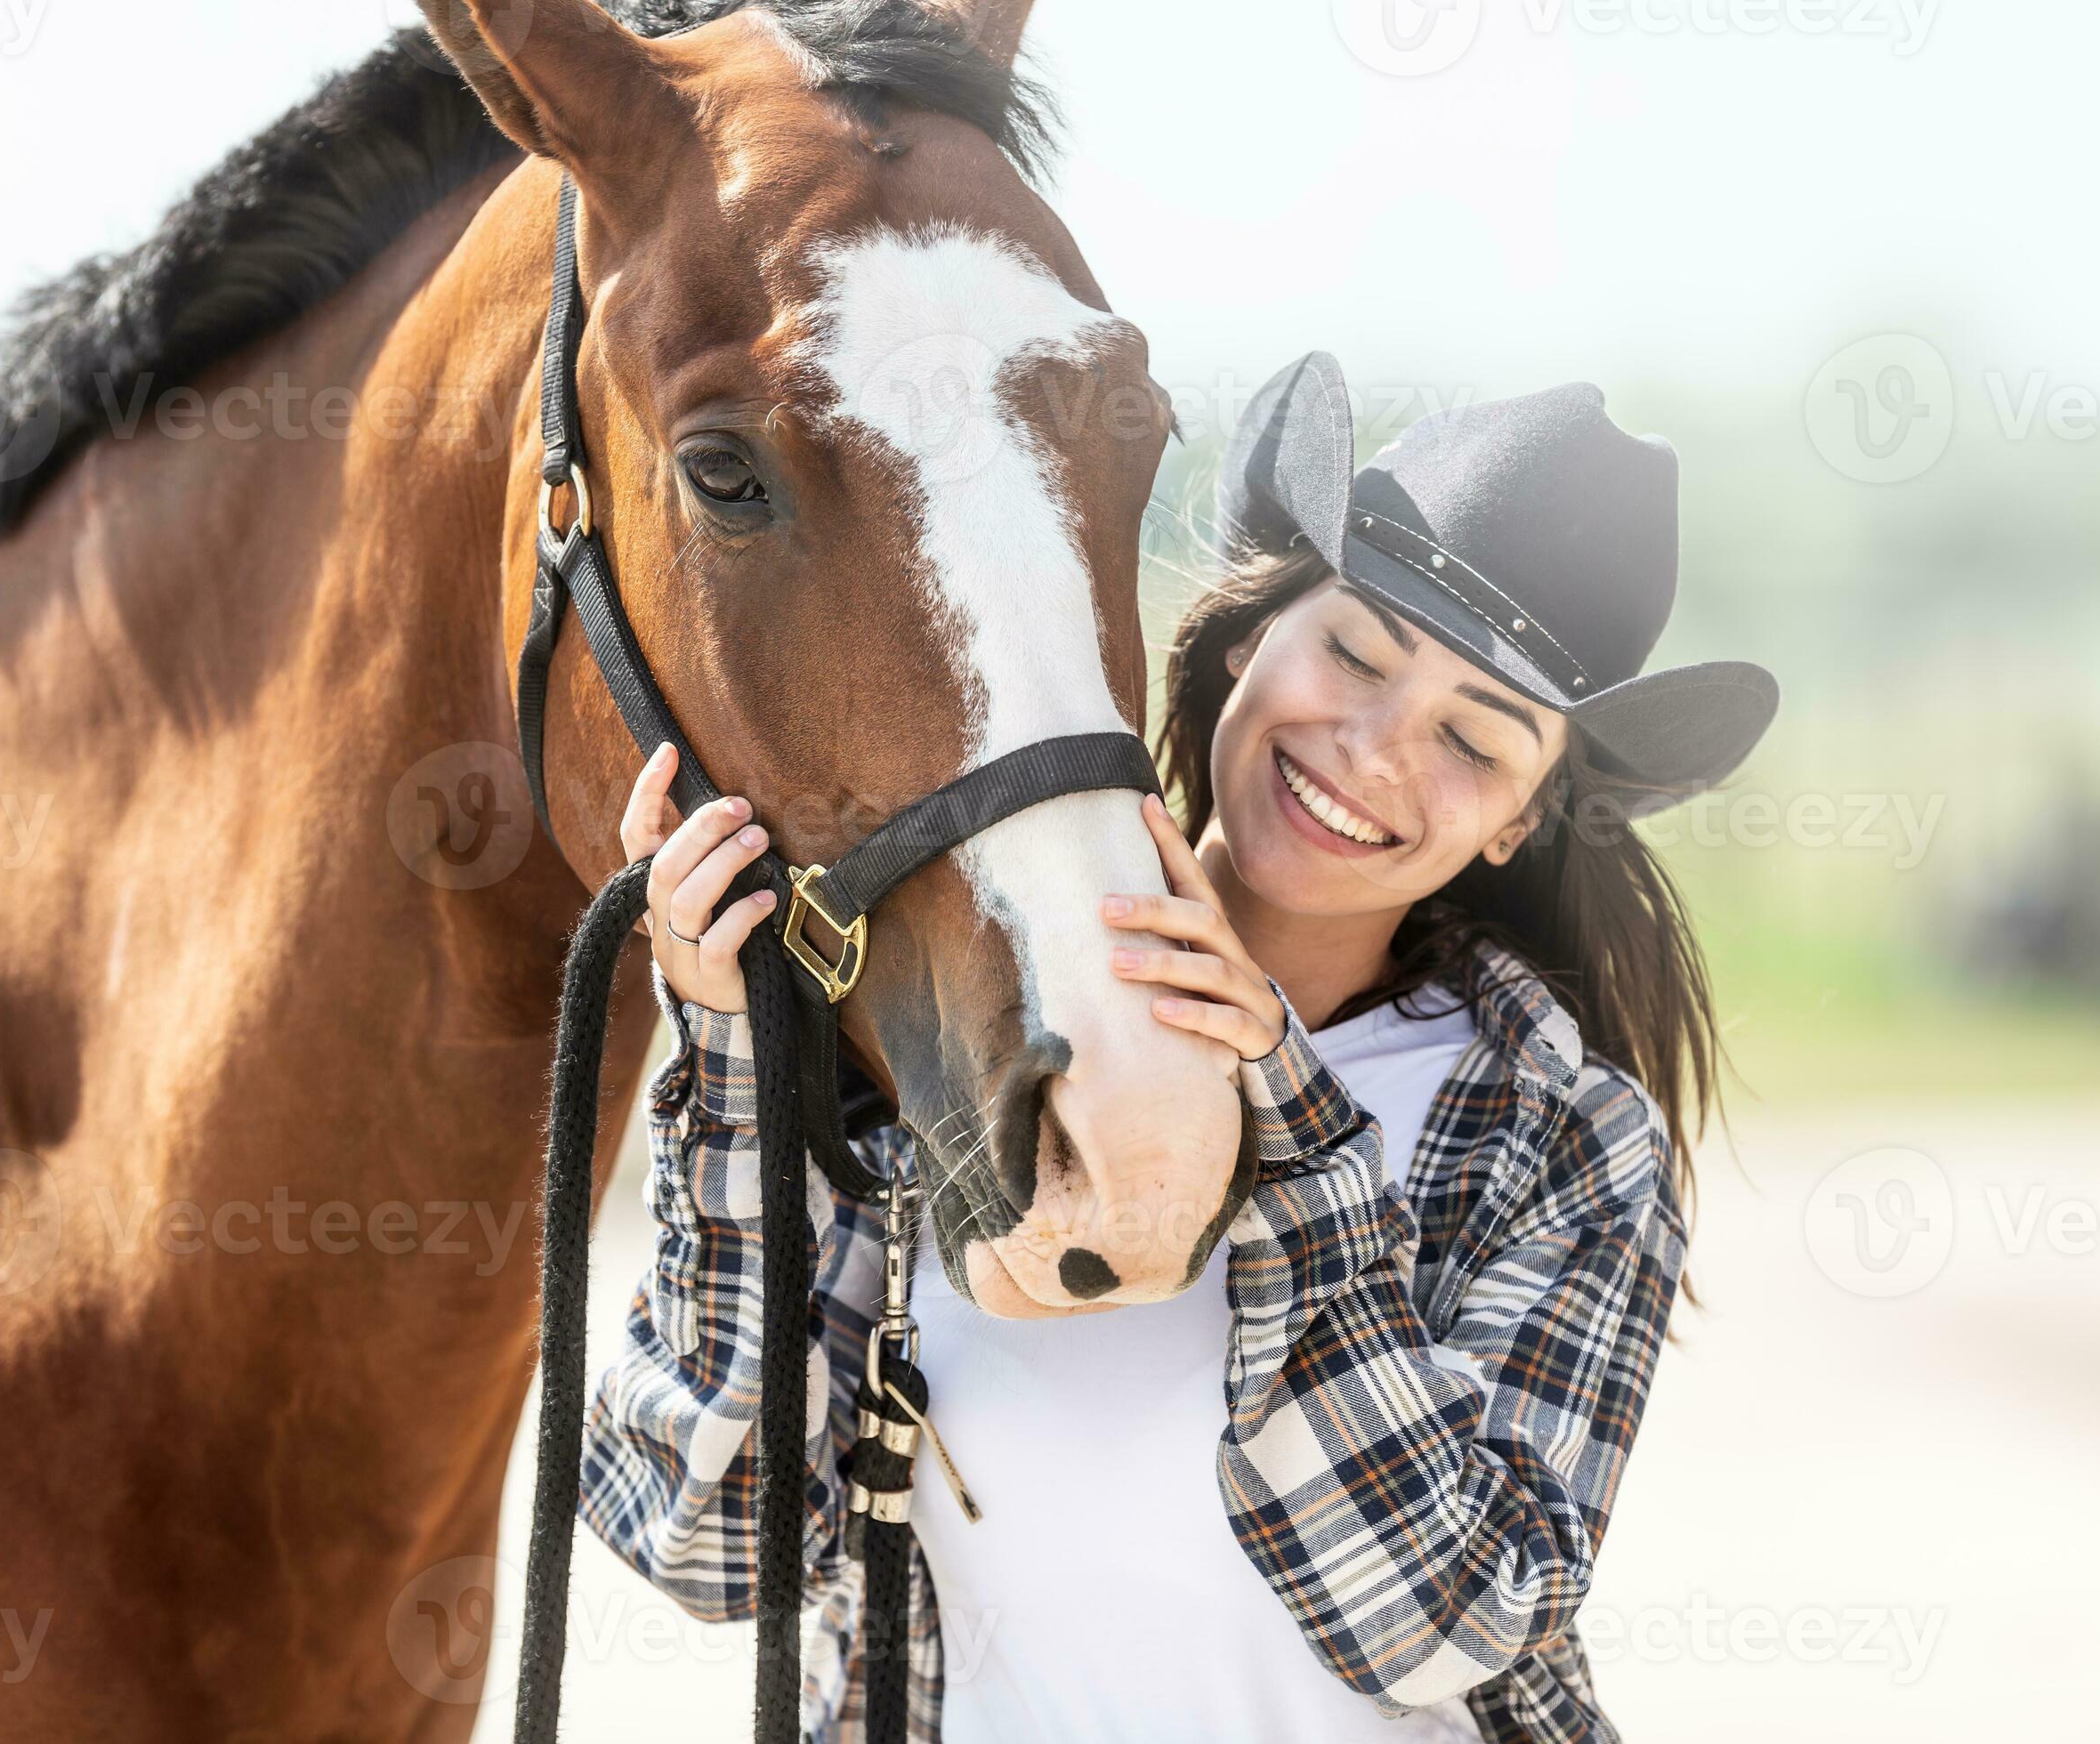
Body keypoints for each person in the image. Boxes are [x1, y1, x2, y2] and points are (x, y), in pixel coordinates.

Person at [579, 353, 1780, 1742]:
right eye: (1354, 652)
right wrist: (735, 1056)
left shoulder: (1562, 1134)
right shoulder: (950, 1016)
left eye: (1473, 739)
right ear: (1238, 645)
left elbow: (1439, 1626)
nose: (1377, 753)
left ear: (1517, 821)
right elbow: (708, 1545)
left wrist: (1288, 1121)